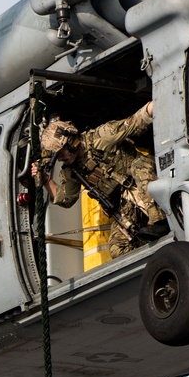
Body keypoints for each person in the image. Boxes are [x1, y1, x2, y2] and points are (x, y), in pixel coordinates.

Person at [33, 102, 166, 259]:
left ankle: (159, 221)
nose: (62, 159)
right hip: (126, 204)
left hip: (144, 180)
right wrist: (47, 181)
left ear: (70, 142)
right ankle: (157, 256)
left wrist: (158, 100)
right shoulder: (72, 170)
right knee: (117, 249)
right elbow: (65, 198)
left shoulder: (101, 137)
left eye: (62, 154)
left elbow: (135, 121)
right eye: (58, 157)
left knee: (139, 166)